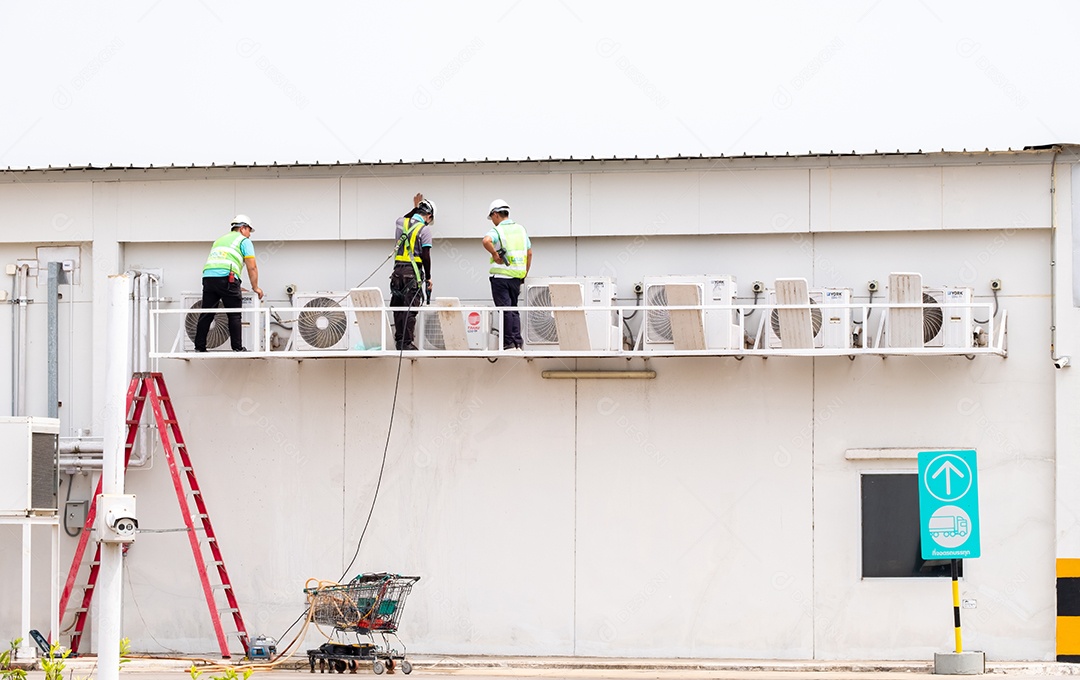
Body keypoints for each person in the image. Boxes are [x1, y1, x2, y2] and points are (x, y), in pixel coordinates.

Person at [194, 214, 264, 352]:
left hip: (208, 278)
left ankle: (199, 346)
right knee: (234, 313)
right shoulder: (244, 241)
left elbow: (221, 263)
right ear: (243, 228)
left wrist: (236, 286)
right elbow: (252, 267)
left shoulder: (219, 240)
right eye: (249, 230)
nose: (249, 235)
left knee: (207, 312)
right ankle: (237, 348)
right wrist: (255, 287)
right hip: (227, 278)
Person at [482, 198, 532, 350]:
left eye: (492, 218)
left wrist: (495, 255)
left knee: (505, 309)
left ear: (496, 214)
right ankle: (517, 341)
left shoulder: (498, 230)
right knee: (513, 308)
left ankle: (508, 342)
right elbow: (529, 253)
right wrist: (524, 273)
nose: (492, 221)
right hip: (516, 277)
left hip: (500, 278)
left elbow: (486, 241)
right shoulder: (521, 230)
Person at [390, 193, 435, 350]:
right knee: (410, 309)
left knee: (398, 307)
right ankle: (407, 344)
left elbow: (406, 217)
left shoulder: (400, 222)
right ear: (428, 216)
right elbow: (426, 256)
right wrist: (428, 277)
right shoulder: (425, 230)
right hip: (412, 273)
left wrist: (415, 208)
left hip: (397, 273)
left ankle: (399, 341)